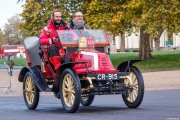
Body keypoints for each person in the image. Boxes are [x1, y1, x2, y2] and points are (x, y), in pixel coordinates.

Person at [39, 9, 68, 93]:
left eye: (59, 16)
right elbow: (42, 40)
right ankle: (58, 71)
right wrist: (51, 40)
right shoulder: (47, 28)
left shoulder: (66, 27)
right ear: (52, 17)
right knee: (52, 47)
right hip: (53, 50)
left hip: (65, 48)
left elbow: (74, 36)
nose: (58, 18)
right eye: (56, 17)